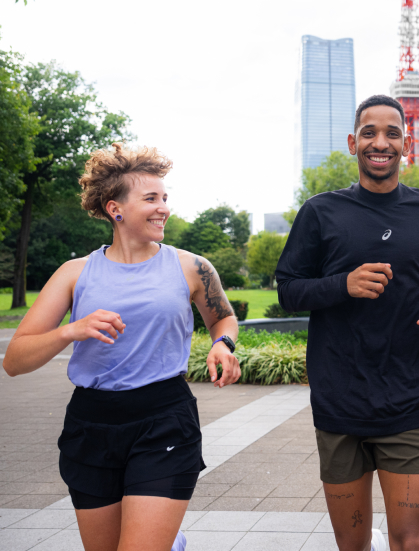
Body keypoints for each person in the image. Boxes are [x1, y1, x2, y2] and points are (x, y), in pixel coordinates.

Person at [3, 143, 241, 551]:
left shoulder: (192, 266)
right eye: (151, 198)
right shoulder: (74, 274)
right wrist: (70, 331)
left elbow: (223, 317)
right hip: (91, 426)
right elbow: (14, 361)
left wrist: (223, 344)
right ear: (115, 208)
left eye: (165, 197)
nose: (163, 207)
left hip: (165, 419)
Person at [276, 94, 419, 551]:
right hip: (340, 400)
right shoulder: (320, 212)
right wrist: (343, 285)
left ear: (406, 143)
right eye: (370, 133)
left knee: (412, 541)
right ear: (352, 143)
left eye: (392, 133)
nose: (381, 142)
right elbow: (288, 289)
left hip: (411, 398)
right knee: (352, 545)